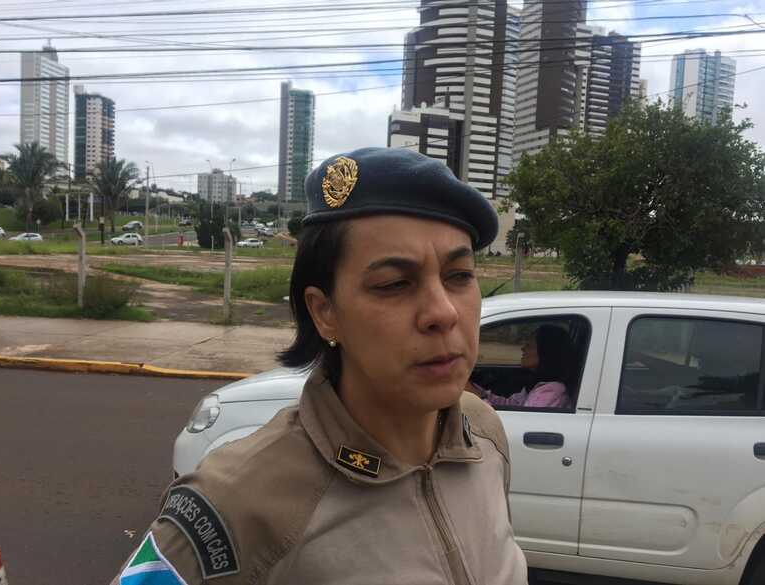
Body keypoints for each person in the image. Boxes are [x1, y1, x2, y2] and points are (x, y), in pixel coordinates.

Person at [111, 148, 528, 585]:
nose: (442, 312)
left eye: (459, 275)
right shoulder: (234, 502)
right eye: (394, 284)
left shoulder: (482, 432)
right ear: (324, 311)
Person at [470, 325, 573, 409]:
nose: (523, 348)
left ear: (546, 352)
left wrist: (479, 398)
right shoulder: (539, 385)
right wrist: (479, 392)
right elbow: (510, 404)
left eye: (529, 345)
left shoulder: (552, 391)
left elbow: (521, 420)